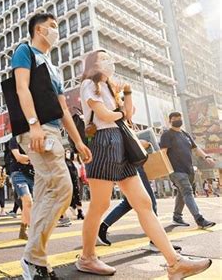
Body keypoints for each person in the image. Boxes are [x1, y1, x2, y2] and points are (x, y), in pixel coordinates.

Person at [77, 50, 211, 278]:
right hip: (103, 142)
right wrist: (119, 110)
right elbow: (105, 115)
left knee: (143, 202)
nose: (109, 61)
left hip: (120, 143)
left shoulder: (110, 88)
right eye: (103, 58)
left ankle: (174, 262)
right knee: (99, 205)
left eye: (110, 57)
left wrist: (126, 92)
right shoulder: (90, 84)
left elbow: (127, 115)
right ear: (93, 64)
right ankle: (87, 257)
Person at [12, 12, 93, 279]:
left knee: (46, 195)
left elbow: (62, 109)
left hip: (53, 132)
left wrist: (78, 141)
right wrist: (33, 124)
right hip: (39, 130)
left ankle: (37, 259)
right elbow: (22, 88)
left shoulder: (53, 67)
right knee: (62, 188)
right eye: (52, 27)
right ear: (38, 30)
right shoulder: (25, 52)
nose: (56, 31)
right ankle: (32, 257)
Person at [97, 141, 182, 252]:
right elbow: (127, 143)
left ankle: (102, 228)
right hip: (130, 165)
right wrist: (144, 143)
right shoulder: (117, 125)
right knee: (149, 202)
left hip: (128, 164)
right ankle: (156, 241)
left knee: (129, 203)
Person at [160, 111, 217, 228]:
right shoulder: (167, 134)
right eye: (175, 118)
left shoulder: (185, 134)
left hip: (189, 170)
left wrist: (206, 157)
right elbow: (163, 153)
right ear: (170, 121)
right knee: (187, 192)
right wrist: (164, 170)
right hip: (176, 170)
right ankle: (199, 219)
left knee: (182, 193)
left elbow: (196, 149)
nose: (178, 119)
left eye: (179, 117)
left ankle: (177, 217)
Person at [7, 136, 35, 240]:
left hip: (33, 175)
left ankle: (23, 231)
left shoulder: (34, 139)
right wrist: (33, 158)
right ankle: (33, 231)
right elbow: (18, 157)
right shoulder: (14, 140)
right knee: (28, 202)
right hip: (18, 174)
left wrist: (28, 159)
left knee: (28, 205)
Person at [65, 149, 84, 220]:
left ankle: (79, 211)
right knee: (70, 197)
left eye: (69, 152)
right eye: (67, 152)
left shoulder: (73, 162)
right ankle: (65, 213)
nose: (68, 154)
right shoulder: (66, 162)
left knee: (78, 196)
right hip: (69, 181)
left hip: (77, 180)